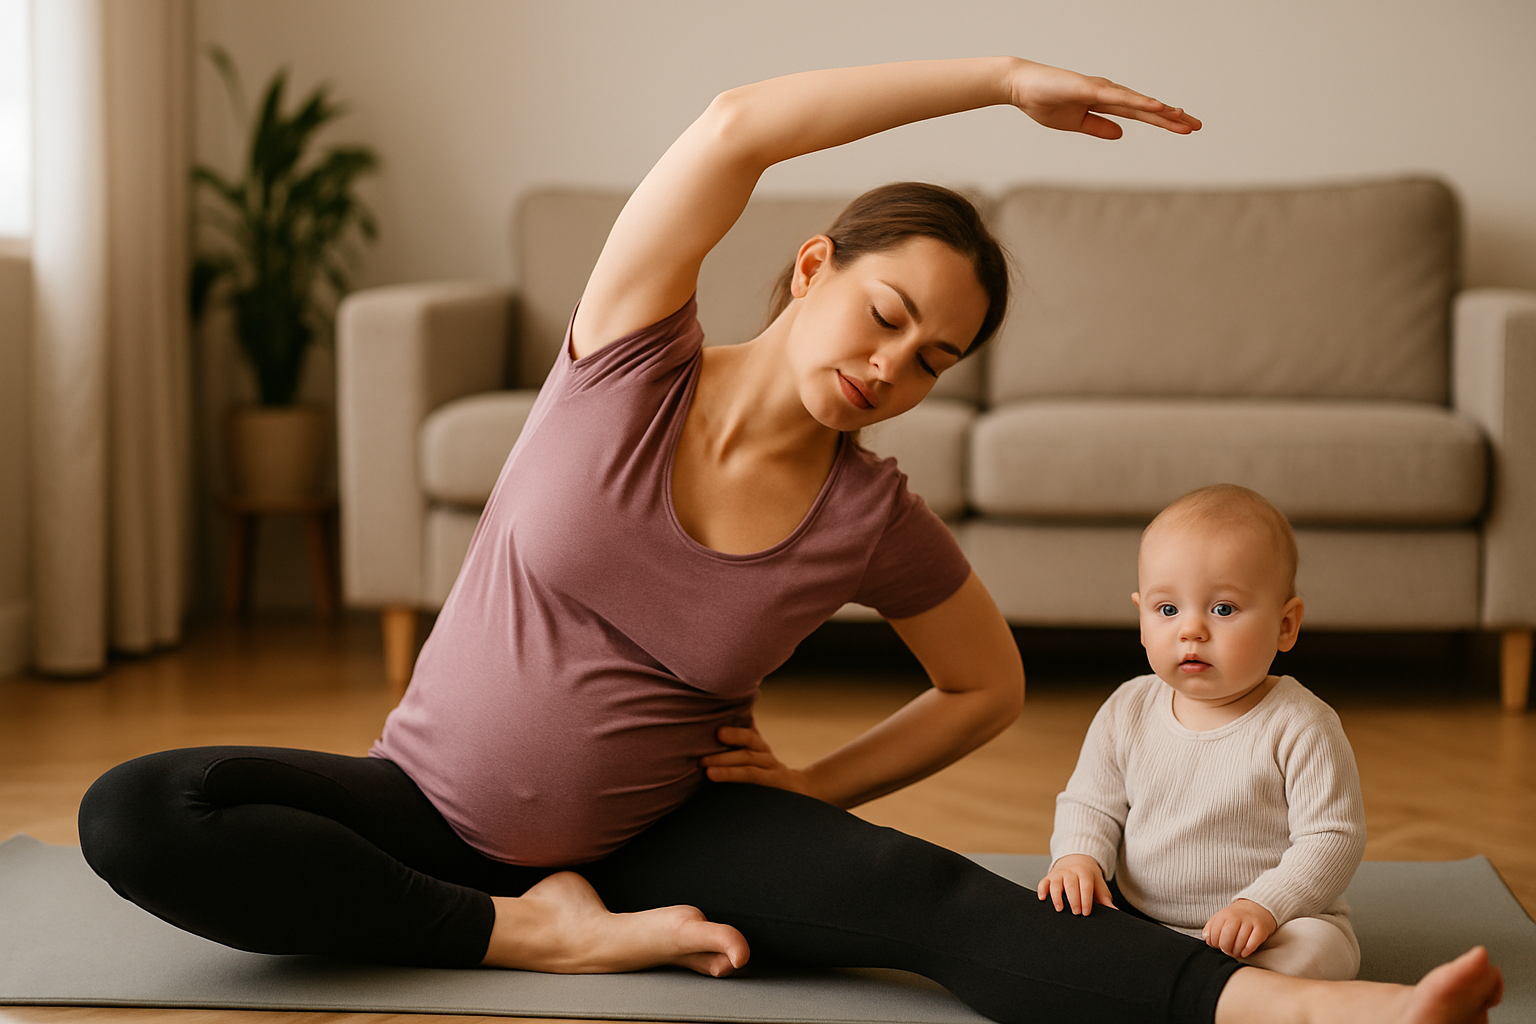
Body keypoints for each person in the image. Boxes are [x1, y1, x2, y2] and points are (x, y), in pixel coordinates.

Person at [77, 57, 1502, 1024]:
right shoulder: (628, 355)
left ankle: (1310, 1009)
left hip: (661, 837)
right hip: (428, 811)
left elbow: (986, 687)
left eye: (933, 359)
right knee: (141, 811)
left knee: (928, 894)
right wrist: (1000, 79)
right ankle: (533, 933)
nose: (893, 368)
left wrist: (814, 786)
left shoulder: (869, 512)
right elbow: (735, 128)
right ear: (814, 265)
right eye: (886, 316)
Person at [1038, 484, 1367, 980]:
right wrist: (1079, 859)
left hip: (1263, 932)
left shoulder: (1301, 724)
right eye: (1167, 610)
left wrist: (1263, 904)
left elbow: (1332, 838)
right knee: (1051, 924)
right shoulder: (1127, 708)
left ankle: (1213, 989)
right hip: (1139, 920)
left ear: (1285, 625)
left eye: (1223, 609)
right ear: (1142, 620)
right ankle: (1209, 992)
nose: (1191, 630)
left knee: (1321, 949)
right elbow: (1090, 804)